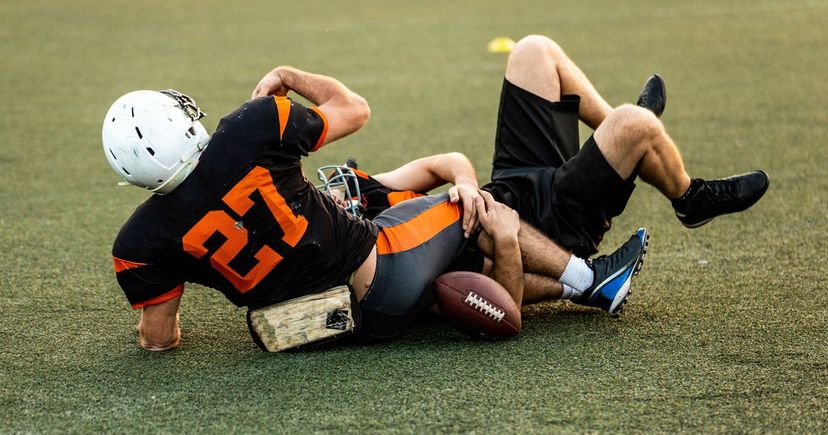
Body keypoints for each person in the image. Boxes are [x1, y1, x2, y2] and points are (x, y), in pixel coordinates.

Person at [103, 66, 645, 351]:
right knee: (467, 207)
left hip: (322, 327)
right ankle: (588, 275)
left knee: (452, 278)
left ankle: (579, 288)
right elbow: (354, 109)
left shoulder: (137, 242)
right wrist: (291, 77)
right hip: (377, 273)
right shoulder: (249, 128)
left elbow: (159, 339)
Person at [327, 34, 768, 303]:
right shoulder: (382, 267)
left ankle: (624, 138)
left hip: (512, 180)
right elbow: (493, 291)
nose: (330, 195)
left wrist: (464, 184)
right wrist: (545, 265)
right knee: (635, 126)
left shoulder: (366, 194)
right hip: (551, 226)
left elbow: (449, 162)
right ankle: (688, 196)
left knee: (533, 51)